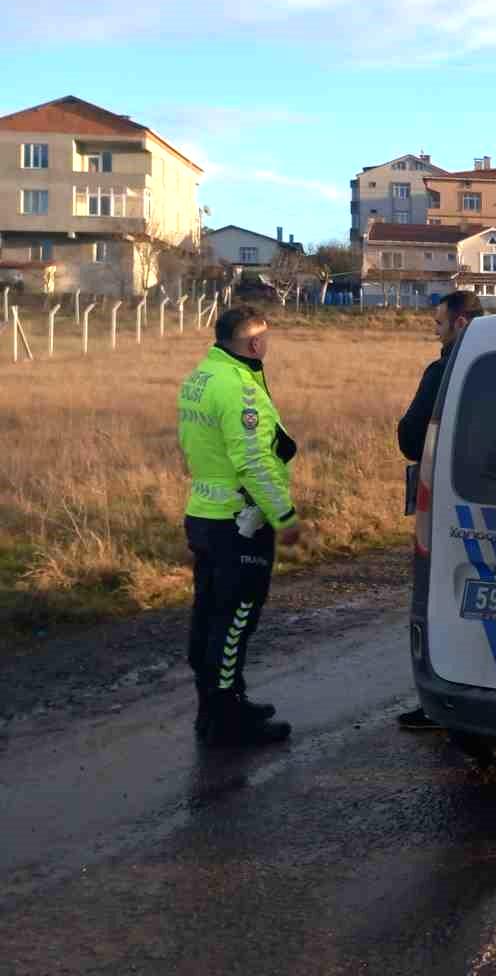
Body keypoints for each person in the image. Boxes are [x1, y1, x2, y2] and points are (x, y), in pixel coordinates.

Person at [179, 306, 303, 747]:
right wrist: (283, 516)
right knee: (235, 620)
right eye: (265, 339)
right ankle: (228, 715)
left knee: (210, 614)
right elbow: (253, 460)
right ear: (254, 343)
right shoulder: (239, 389)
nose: (267, 345)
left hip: (205, 515)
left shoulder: (201, 377)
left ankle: (211, 707)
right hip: (240, 522)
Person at [395, 290, 484, 731]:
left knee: (443, 600)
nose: (436, 331)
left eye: (439, 324)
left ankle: (442, 698)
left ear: (462, 323)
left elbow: (411, 440)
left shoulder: (444, 371)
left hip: (452, 506)